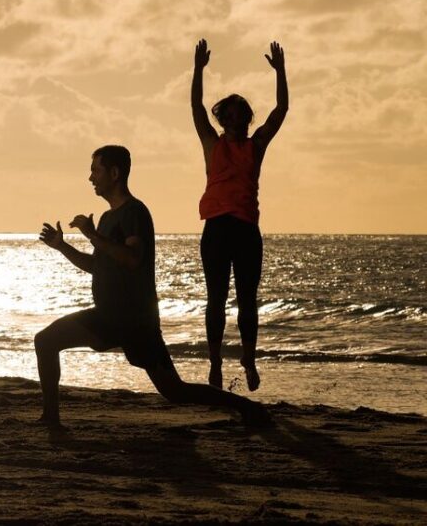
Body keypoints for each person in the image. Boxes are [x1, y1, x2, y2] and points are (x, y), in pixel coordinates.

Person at [34, 145, 270, 428]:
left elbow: (133, 259)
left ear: (115, 173)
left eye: (95, 170)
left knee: (175, 391)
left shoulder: (135, 212)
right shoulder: (108, 218)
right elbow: (97, 266)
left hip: (135, 321)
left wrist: (94, 236)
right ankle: (51, 418)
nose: (91, 178)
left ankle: (245, 406)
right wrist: (62, 246)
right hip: (107, 316)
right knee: (46, 340)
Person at [192, 39, 289, 390]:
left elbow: (281, 110)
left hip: (247, 229)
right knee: (215, 299)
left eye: (238, 115)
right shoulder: (212, 144)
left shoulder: (255, 146)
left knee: (248, 301)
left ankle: (248, 357)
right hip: (216, 229)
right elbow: (196, 109)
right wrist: (198, 71)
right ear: (224, 119)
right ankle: (215, 363)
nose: (233, 120)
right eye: (228, 115)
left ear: (246, 119)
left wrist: (280, 72)